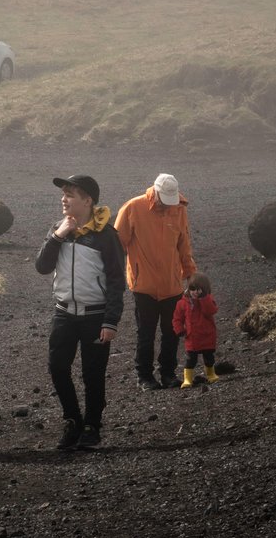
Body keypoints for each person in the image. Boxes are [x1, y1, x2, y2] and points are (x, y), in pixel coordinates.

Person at [36, 173, 126, 452]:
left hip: (96, 315)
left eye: (70, 195)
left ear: (88, 201)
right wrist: (57, 236)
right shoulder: (58, 229)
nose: (64, 199)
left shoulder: (106, 235)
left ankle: (92, 426)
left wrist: (111, 320)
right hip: (64, 312)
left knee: (93, 374)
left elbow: (116, 281)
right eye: (63, 194)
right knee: (57, 367)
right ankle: (73, 420)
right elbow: (41, 266)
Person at [114, 172, 196, 390]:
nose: (168, 204)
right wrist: (111, 275)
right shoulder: (133, 208)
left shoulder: (179, 209)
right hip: (144, 286)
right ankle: (144, 376)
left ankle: (168, 373)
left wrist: (190, 275)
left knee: (172, 332)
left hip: (172, 284)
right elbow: (117, 245)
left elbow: (184, 244)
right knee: (146, 333)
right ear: (155, 191)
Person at [172, 272, 219, 388]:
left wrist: (204, 299)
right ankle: (187, 379)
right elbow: (177, 318)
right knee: (190, 360)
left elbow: (210, 311)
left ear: (205, 289)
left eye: (199, 289)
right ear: (188, 288)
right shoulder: (182, 303)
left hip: (207, 335)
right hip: (192, 337)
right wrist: (179, 329)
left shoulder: (208, 300)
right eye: (193, 288)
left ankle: (211, 374)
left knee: (209, 358)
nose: (195, 292)